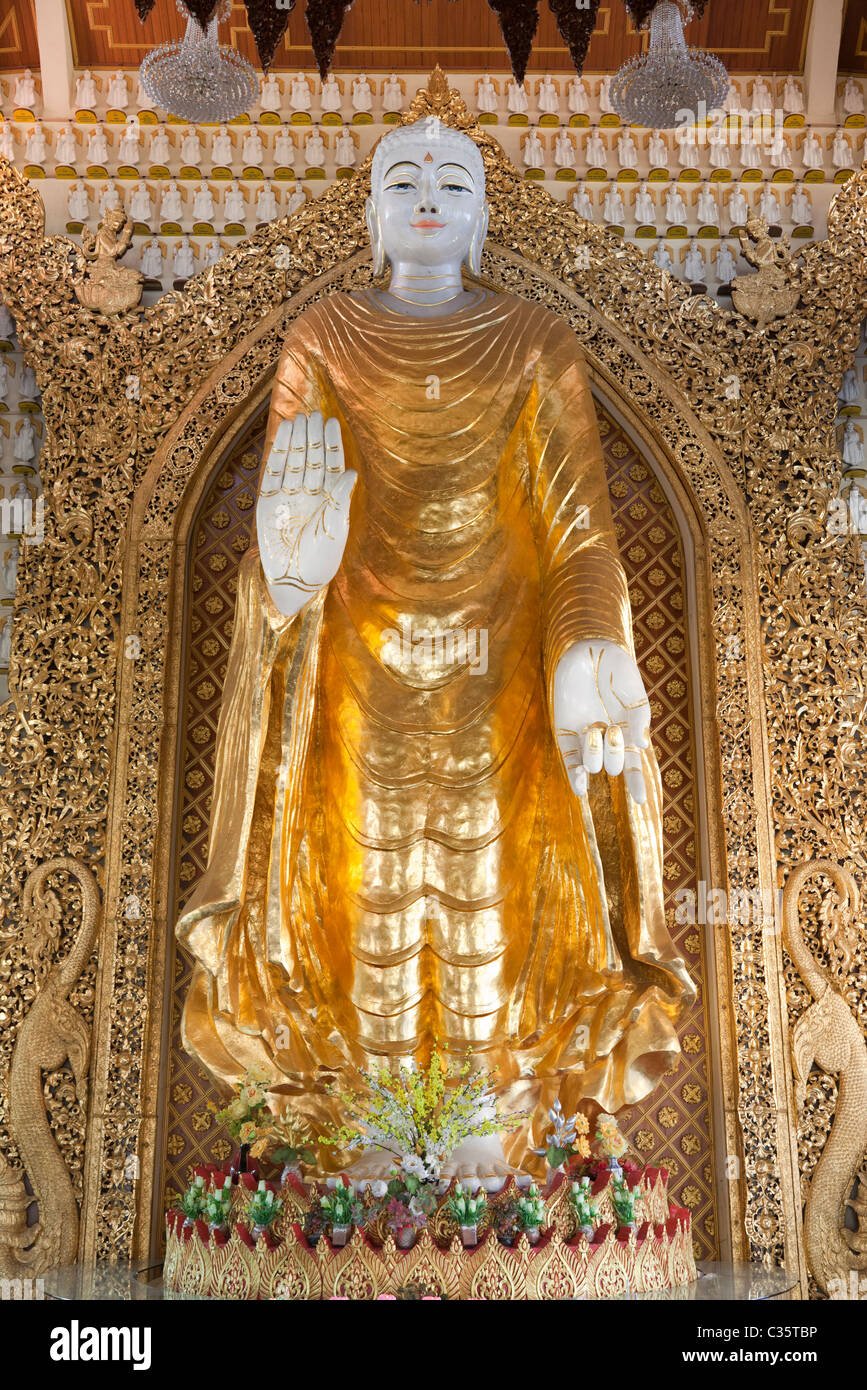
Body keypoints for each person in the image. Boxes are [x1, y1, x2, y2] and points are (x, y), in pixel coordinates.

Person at [177, 115, 694, 1179]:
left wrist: (589, 644)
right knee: (357, 877)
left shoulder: (535, 341)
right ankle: (362, 1143)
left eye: (450, 181)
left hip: (500, 671)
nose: (426, 194)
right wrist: (285, 572)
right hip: (357, 663)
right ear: (372, 215)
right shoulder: (322, 336)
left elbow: (581, 530)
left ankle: (483, 1150)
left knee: (487, 888)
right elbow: (292, 506)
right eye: (403, 178)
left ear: (481, 218)